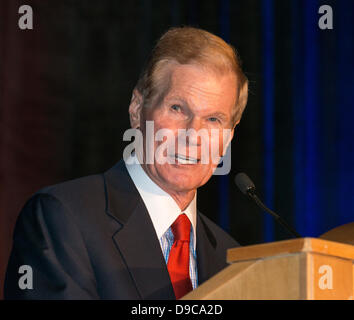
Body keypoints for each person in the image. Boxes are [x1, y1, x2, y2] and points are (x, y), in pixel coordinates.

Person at [4, 26, 248, 299]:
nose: (193, 135)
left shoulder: (233, 261)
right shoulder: (63, 219)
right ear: (136, 110)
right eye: (177, 109)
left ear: (229, 137)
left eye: (213, 120)